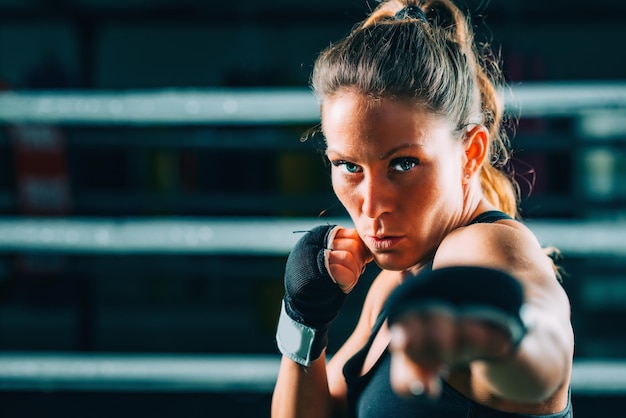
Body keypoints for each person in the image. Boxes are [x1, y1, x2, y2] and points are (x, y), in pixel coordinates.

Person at [271, 0, 574, 417]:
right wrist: (303, 321)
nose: (373, 206)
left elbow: (547, 343)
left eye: (403, 164)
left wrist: (490, 335)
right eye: (348, 166)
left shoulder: (485, 249)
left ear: (470, 153)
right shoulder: (393, 284)